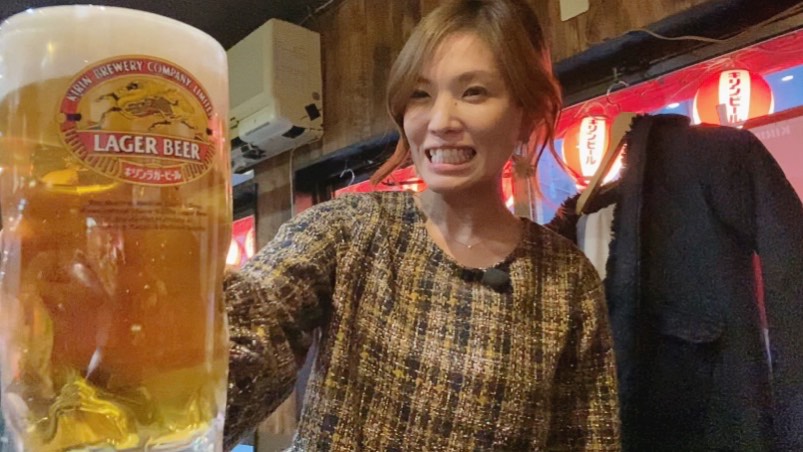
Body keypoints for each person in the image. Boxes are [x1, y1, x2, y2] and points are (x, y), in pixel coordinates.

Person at [223, 0, 620, 450]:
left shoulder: (566, 279)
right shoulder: (348, 230)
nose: (440, 121)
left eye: (474, 92)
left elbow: (587, 439)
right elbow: (256, 325)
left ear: (526, 113)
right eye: (420, 94)